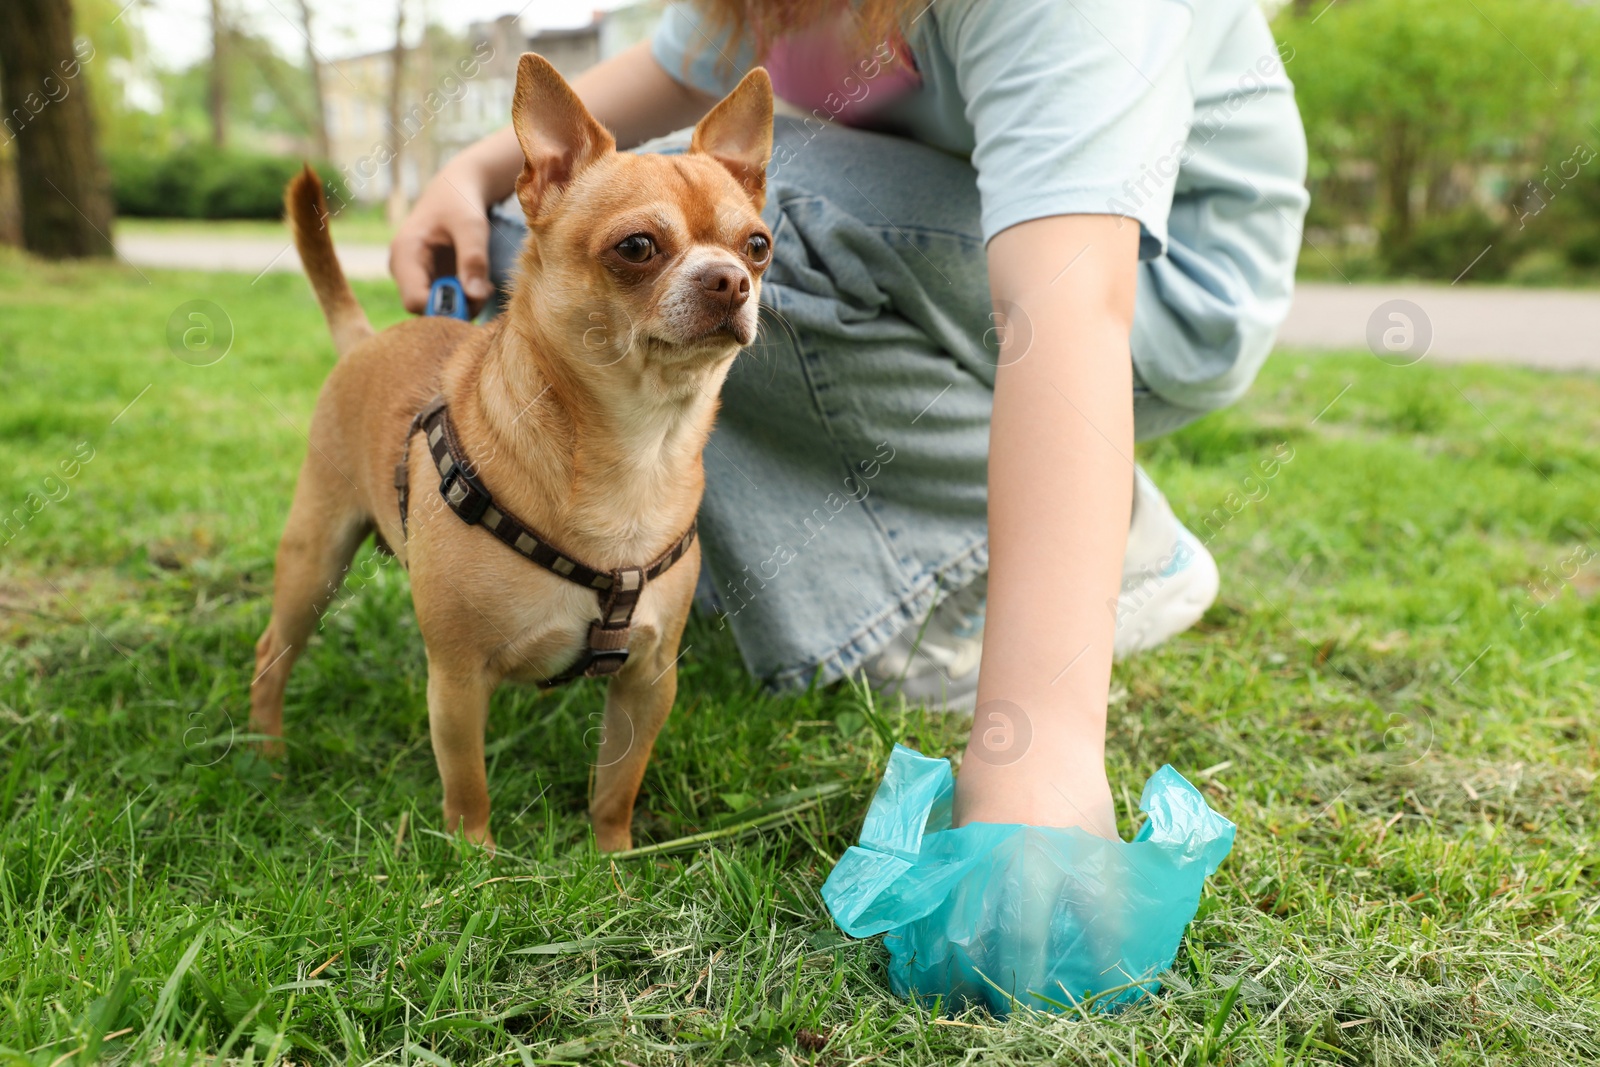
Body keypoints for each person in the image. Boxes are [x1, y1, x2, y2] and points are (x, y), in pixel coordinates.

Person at [389, 0, 1308, 837]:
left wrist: (1042, 754)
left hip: (1157, 289)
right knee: (548, 240)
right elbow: (672, 70)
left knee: (760, 204)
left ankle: (1058, 563)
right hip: (963, 248)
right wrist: (467, 172)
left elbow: (1071, 307)